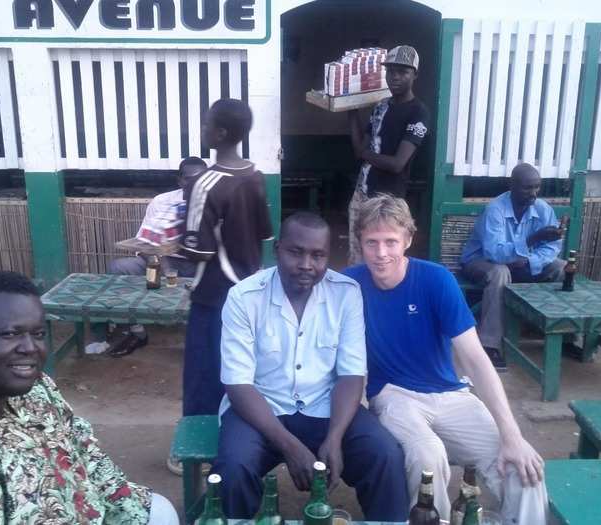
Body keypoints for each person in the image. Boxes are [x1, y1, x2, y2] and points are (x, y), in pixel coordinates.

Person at [344, 194, 548, 525]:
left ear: (408, 240)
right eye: (372, 242)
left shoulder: (435, 280)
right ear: (360, 243)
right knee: (428, 457)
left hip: (450, 393)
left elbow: (476, 360)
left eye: (391, 241)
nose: (381, 253)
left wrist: (511, 434)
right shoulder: (350, 284)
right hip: (393, 394)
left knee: (524, 467)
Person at [0, 272, 178, 525]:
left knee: (159, 510)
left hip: (92, 511)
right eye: (10, 334)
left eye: (37, 334)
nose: (30, 348)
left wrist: (128, 508)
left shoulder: (32, 385)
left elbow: (84, 450)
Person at [213, 212, 409, 520]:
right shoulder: (243, 297)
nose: (307, 264)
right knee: (233, 468)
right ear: (277, 248)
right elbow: (238, 385)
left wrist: (334, 437)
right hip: (260, 411)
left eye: (318, 255)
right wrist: (291, 446)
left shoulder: (345, 293)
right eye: (296, 252)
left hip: (326, 407)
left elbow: (351, 373)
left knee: (384, 455)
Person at [179, 98, 273, 417]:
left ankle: (193, 445)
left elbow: (198, 250)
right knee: (242, 370)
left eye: (206, 124)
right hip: (251, 290)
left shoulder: (202, 184)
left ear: (219, 133)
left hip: (214, 294)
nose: (202, 129)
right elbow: (262, 234)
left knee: (203, 371)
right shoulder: (254, 176)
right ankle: (236, 435)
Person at [461, 163, 566, 369]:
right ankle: (489, 345)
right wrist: (533, 238)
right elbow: (494, 252)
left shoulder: (543, 209)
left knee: (560, 267)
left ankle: (563, 336)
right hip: (480, 262)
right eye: (527, 188)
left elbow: (553, 246)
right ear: (512, 186)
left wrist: (531, 261)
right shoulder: (495, 210)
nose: (533, 193)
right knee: (500, 272)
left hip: (523, 265)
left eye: (537, 187)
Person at [104, 156, 207, 357]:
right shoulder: (162, 202)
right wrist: (165, 266)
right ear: (180, 180)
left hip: (200, 265)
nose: (195, 184)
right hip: (161, 261)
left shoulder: (215, 202)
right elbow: (144, 243)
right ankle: (137, 333)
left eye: (201, 179)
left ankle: (203, 339)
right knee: (119, 268)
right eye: (189, 179)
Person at [347, 45, 430, 264]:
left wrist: (365, 154)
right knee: (357, 257)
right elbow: (359, 149)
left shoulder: (418, 112)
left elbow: (397, 164)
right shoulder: (381, 107)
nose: (395, 77)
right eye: (391, 71)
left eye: (403, 72)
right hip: (362, 194)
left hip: (388, 202)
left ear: (415, 75)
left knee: (383, 259)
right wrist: (351, 111)